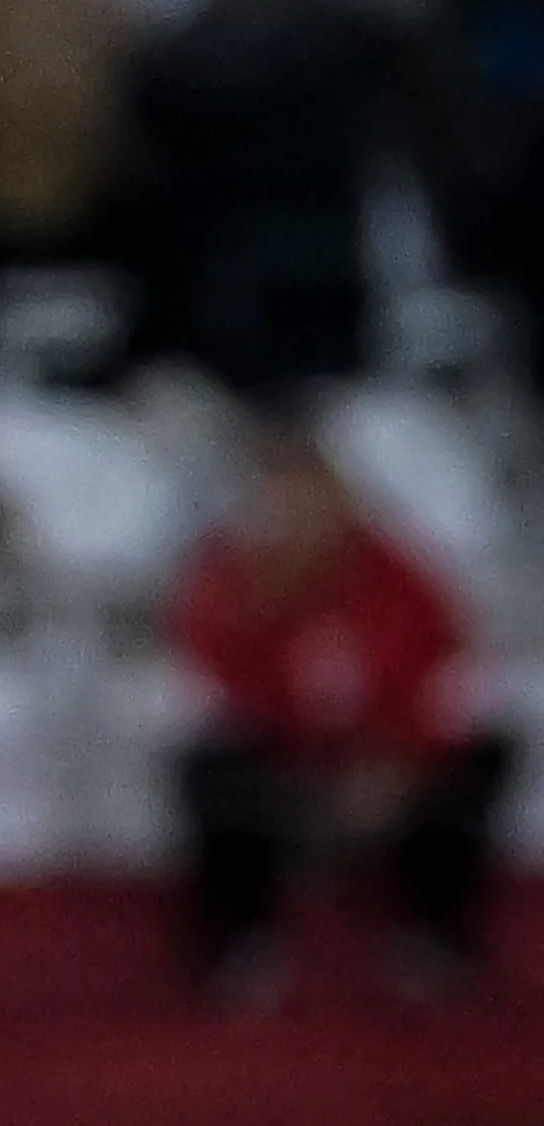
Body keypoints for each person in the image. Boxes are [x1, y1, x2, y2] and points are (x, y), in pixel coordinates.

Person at [169, 420, 517, 1006]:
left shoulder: (402, 577)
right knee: (209, 765)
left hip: (390, 765)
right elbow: (214, 682)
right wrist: (270, 605)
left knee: (485, 755)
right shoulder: (231, 580)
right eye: (282, 502)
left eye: (311, 498)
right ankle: (239, 941)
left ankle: (434, 934)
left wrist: (398, 762)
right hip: (285, 764)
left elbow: (443, 677)